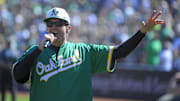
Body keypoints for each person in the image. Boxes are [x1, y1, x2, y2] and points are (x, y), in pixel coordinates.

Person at [12, 7, 164, 101]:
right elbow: (18, 76)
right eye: (50, 24)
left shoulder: (84, 51)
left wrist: (142, 32)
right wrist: (39, 50)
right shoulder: (36, 51)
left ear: (68, 28)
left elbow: (120, 52)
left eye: (59, 23)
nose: (54, 27)